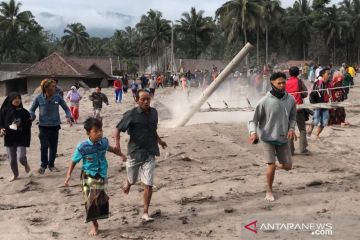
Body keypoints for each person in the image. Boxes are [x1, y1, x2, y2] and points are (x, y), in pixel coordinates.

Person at [64, 117, 126, 236]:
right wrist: (68, 175)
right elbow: (73, 161)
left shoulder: (103, 142)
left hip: (101, 175)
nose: (99, 133)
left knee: (99, 200)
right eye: (96, 131)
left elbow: (111, 149)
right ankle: (94, 225)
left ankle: (96, 217)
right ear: (88, 133)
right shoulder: (82, 147)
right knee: (90, 201)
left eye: (101, 130)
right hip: (88, 176)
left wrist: (122, 155)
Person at [114, 89, 167, 222]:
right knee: (132, 179)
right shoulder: (131, 114)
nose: (146, 101)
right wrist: (117, 146)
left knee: (148, 183)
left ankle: (145, 212)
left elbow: (152, 129)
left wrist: (160, 141)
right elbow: (118, 129)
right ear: (136, 100)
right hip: (135, 153)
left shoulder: (154, 112)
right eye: (143, 99)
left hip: (150, 151)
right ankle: (129, 181)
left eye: (148, 99)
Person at [249, 72, 296, 202]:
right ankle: (269, 190)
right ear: (272, 83)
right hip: (267, 138)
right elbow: (253, 120)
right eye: (279, 83)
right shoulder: (264, 101)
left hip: (283, 138)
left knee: (288, 166)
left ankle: (276, 166)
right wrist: (253, 133)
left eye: (283, 82)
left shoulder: (291, 99)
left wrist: (291, 128)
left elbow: (293, 117)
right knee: (270, 165)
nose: (282, 85)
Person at [29, 79, 73, 174]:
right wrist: (31, 116)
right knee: (44, 146)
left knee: (53, 147)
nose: (55, 88)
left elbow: (66, 109)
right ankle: (43, 165)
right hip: (43, 126)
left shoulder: (58, 98)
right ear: (46, 88)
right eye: (52, 86)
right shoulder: (39, 98)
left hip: (55, 126)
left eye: (54, 86)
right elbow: (31, 110)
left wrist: (68, 116)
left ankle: (51, 165)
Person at [0, 92, 32, 181]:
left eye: (19, 98)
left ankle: (25, 164)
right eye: (15, 98)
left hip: (21, 137)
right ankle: (15, 175)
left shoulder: (24, 112)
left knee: (21, 157)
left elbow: (29, 123)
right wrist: (1, 129)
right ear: (10, 100)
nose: (17, 100)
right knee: (12, 159)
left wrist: (20, 126)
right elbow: (1, 123)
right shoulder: (4, 111)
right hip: (9, 137)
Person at [285, 66, 309, 155]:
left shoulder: (285, 82)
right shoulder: (299, 81)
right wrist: (300, 96)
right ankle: (303, 149)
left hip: (287, 109)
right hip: (298, 108)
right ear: (298, 73)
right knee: (302, 129)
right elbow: (305, 93)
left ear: (289, 73)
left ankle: (290, 150)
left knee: (289, 129)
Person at [307, 68, 331, 138]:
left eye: (330, 74)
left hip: (325, 105)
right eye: (328, 74)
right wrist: (315, 105)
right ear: (323, 74)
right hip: (318, 105)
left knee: (325, 121)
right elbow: (312, 94)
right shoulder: (318, 83)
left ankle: (317, 135)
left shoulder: (328, 84)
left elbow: (330, 94)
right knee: (316, 120)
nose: (329, 75)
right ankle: (309, 133)